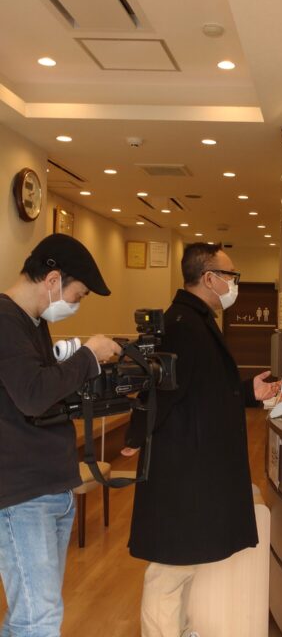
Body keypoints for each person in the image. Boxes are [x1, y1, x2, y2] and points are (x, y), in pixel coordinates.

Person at [124, 242, 281, 637]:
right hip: (181, 468)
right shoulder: (182, 324)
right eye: (231, 276)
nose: (234, 284)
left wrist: (247, 391)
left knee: (184, 561)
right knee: (169, 569)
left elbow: (203, 388)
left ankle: (179, 630)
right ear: (210, 278)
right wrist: (135, 436)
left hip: (193, 464)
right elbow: (159, 392)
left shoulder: (195, 320)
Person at [0, 234, 121, 637]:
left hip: (49, 485)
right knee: (38, 618)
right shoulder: (5, 320)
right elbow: (33, 395)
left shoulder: (32, 324)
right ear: (52, 280)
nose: (76, 304)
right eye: (78, 295)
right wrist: (87, 356)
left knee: (34, 613)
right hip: (22, 495)